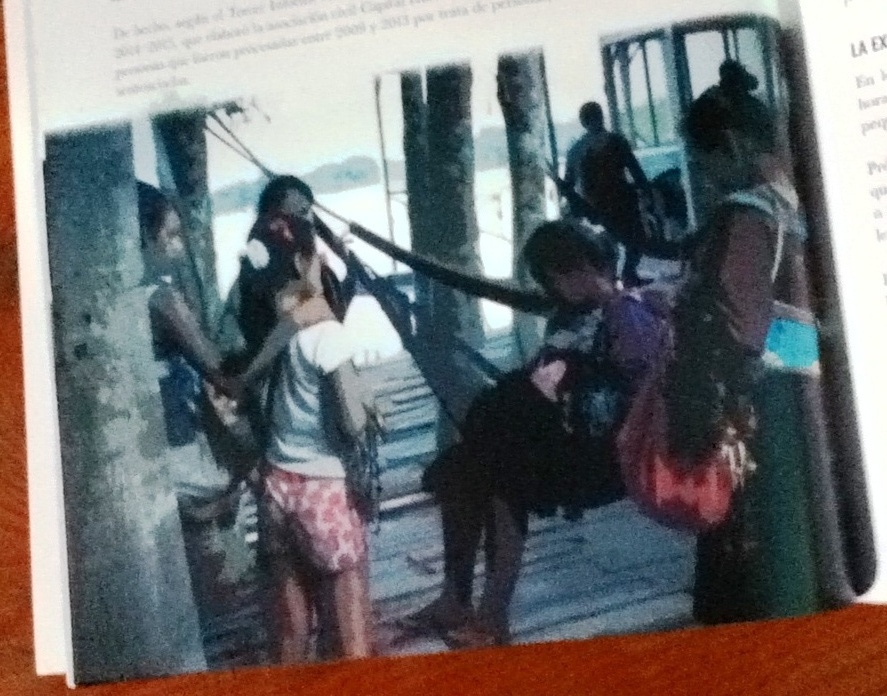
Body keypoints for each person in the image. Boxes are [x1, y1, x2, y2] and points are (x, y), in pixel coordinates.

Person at [399, 220, 662, 648]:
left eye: (566, 273)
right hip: (556, 441)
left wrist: (575, 374)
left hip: (604, 455)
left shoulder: (629, 313)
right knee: (461, 472)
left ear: (593, 266)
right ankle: (454, 599)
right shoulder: (567, 316)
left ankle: (492, 618)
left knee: (503, 477)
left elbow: (641, 395)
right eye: (553, 278)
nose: (560, 285)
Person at [666, 69, 821, 624]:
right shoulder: (804, 197)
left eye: (705, 162)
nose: (706, 177)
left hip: (764, 410)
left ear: (730, 145)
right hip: (814, 391)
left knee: (757, 563)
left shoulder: (746, 216)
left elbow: (737, 329)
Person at [236, 214, 375, 663]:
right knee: (350, 646)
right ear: (303, 261)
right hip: (324, 492)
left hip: (275, 490)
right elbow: (352, 422)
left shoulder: (264, 331)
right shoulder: (325, 332)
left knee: (289, 642)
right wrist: (368, 407)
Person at [562, 102, 653, 286]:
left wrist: (575, 206)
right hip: (622, 200)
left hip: (596, 206)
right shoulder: (616, 142)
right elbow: (634, 169)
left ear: (583, 122)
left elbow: (568, 184)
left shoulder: (577, 150)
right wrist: (646, 190)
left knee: (611, 244)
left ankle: (614, 280)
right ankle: (628, 275)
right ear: (601, 117)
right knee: (636, 240)